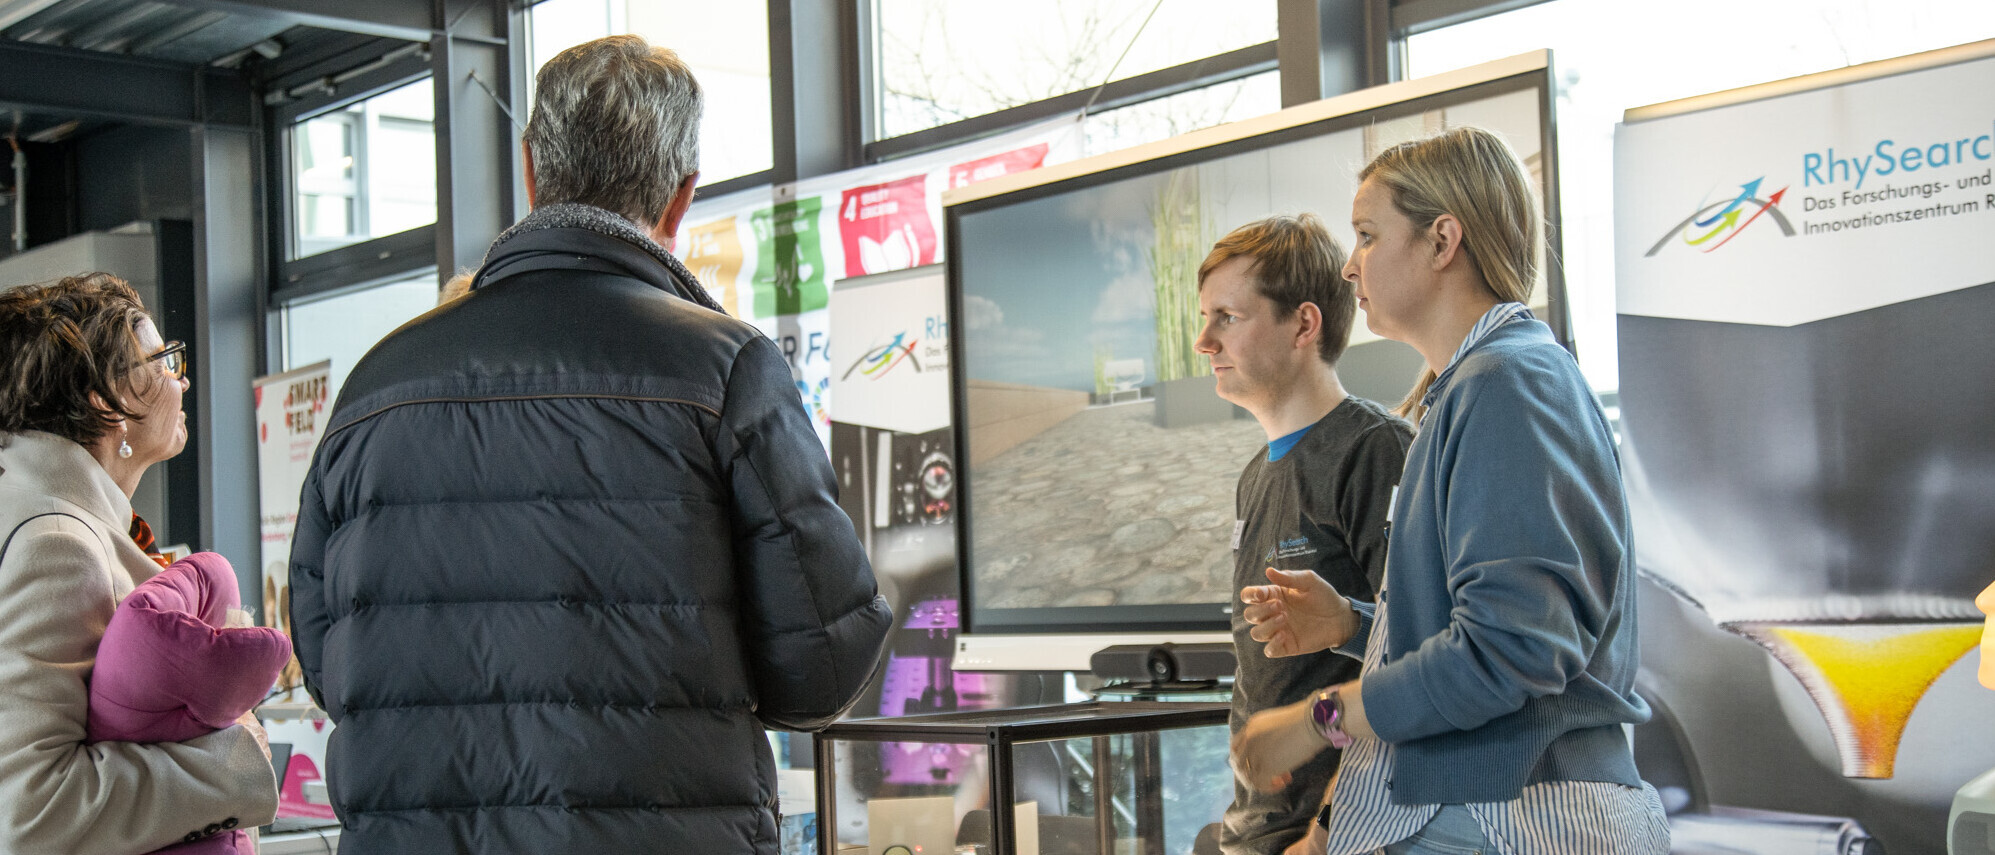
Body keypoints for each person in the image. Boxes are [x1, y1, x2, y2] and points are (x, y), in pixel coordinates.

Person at [287, 35, 893, 853]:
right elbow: (821, 665)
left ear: (530, 170)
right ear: (680, 199)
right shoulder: (725, 371)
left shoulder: (374, 385)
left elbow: (330, 663)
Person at [1231, 126, 1669, 855]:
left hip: (1510, 815)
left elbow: (1510, 651)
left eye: (1367, 235)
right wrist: (1354, 624)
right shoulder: (1477, 387)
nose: (1348, 265)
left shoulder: (1507, 384)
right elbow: (1497, 628)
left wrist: (1316, 718)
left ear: (1441, 241)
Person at [0, 272, 278, 853]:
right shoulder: (58, 545)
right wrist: (232, 765)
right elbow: (32, 811)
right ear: (108, 401)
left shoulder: (53, 520)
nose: (183, 379)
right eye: (164, 362)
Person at [1194, 214, 1411, 855]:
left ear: (1304, 325)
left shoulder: (1374, 449)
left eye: (1228, 317)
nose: (1204, 341)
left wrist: (1323, 836)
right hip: (1256, 833)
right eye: (1205, 318)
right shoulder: (1254, 476)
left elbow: (1416, 665)